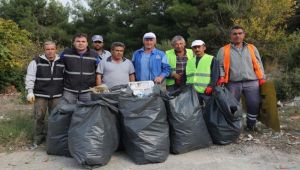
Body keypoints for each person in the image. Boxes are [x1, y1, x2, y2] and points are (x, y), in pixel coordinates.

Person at [216, 25, 266, 131]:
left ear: (244, 35)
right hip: (233, 82)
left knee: (254, 103)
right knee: (232, 106)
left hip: (252, 81)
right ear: (230, 36)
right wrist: (221, 77)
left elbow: (259, 63)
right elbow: (220, 65)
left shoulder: (252, 48)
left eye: (240, 33)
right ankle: (234, 127)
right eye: (234, 34)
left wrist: (262, 77)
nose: (237, 36)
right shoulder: (223, 50)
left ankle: (251, 125)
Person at [25, 41, 64, 148]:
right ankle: (38, 138)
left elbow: (66, 77)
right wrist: (30, 92)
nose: (50, 51)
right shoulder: (36, 62)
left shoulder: (62, 61)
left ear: (56, 49)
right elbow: (30, 77)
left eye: (52, 49)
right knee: (38, 117)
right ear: (44, 50)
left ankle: (53, 138)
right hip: (40, 95)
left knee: (55, 118)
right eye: (48, 49)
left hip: (57, 95)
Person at [60, 33, 101, 103]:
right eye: (78, 41)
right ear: (73, 43)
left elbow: (99, 72)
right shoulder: (66, 53)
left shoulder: (94, 55)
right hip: (69, 91)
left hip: (88, 91)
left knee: (87, 112)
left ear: (87, 43)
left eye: (83, 41)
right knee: (66, 111)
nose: (80, 43)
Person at [186, 40, 219, 105]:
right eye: (194, 47)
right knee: (196, 111)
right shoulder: (190, 61)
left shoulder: (212, 59)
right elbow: (186, 75)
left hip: (206, 91)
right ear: (192, 49)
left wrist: (211, 86)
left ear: (204, 48)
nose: (197, 49)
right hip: (192, 91)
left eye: (199, 47)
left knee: (208, 109)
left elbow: (215, 74)